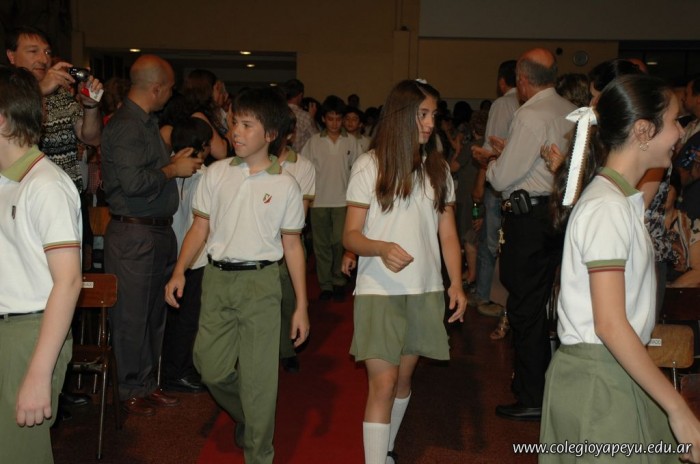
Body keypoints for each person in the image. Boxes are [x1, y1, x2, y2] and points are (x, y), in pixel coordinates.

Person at [542, 74, 700, 464]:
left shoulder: (618, 201)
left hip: (614, 369)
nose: (681, 131)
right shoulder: (607, 207)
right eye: (675, 121)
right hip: (600, 378)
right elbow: (610, 324)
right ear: (643, 130)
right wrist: (677, 408)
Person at [165, 87, 310, 464]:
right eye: (234, 123)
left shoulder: (285, 185)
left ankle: (259, 452)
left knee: (260, 378)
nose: (236, 132)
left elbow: (293, 245)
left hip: (262, 284)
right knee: (209, 368)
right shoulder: (216, 174)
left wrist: (301, 306)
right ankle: (249, 415)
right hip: (217, 280)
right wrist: (179, 271)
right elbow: (199, 228)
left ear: (271, 134)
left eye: (247, 125)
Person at [341, 79, 467, 464]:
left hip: (424, 289)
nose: (430, 123)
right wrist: (380, 248)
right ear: (400, 115)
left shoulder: (438, 169)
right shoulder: (370, 165)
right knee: (382, 383)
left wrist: (456, 282)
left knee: (402, 381)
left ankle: (387, 451)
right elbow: (350, 235)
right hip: (378, 289)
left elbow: (448, 234)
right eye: (422, 114)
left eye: (433, 115)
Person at [473, 48, 576, 420]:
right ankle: (549, 386)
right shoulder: (568, 109)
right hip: (559, 213)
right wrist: (510, 154)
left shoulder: (529, 114)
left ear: (522, 79)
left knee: (526, 306)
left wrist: (493, 159)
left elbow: (502, 178)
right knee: (550, 302)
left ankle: (532, 394)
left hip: (529, 218)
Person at [101, 55, 203, 416]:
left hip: (152, 231)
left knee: (152, 315)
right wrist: (173, 169)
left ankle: (146, 383)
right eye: (170, 88)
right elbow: (132, 183)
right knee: (132, 316)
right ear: (156, 88)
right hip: (135, 233)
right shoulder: (128, 126)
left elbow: (146, 171)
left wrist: (173, 163)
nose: (172, 94)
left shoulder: (145, 123)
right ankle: (131, 387)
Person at [0, 65, 82, 463]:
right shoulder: (6, 181)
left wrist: (38, 372)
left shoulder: (46, 185)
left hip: (30, 331)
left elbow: (68, 282)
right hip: (11, 327)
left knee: (20, 455)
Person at [160, 117, 213, 393]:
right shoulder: (206, 176)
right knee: (187, 319)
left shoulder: (163, 168)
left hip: (167, 252)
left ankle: (169, 369)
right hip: (194, 257)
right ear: (202, 147)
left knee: (171, 318)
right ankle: (178, 371)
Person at [269, 107, 316, 373]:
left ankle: (286, 349)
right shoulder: (252, 161)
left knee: (288, 298)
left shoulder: (303, 166)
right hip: (260, 242)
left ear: (290, 134)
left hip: (288, 239)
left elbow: (302, 211)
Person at [302, 95, 362, 301]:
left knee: (339, 241)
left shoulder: (351, 141)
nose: (335, 123)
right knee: (321, 245)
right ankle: (325, 284)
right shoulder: (313, 142)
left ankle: (339, 279)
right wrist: (306, 198)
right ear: (323, 119)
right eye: (330, 119)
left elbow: (358, 170)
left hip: (343, 201)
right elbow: (305, 171)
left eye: (338, 119)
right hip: (318, 201)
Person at [283, 78, 318, 152]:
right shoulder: (305, 116)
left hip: (279, 156)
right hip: (298, 156)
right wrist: (312, 118)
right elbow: (317, 138)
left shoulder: (278, 112)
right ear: (300, 95)